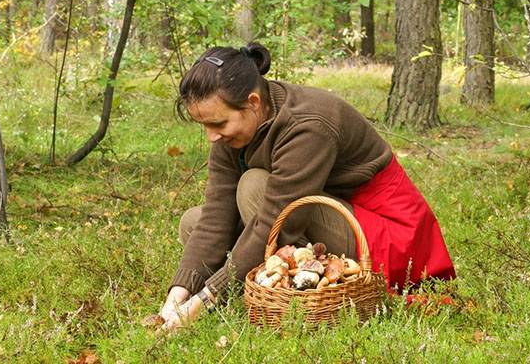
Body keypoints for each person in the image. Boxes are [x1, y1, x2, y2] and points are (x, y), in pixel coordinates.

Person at [159, 42, 456, 330]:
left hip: (384, 235)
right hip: (327, 215)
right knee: (193, 222)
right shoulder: (231, 127)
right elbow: (216, 214)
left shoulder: (307, 123)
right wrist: (180, 292)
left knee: (253, 186)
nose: (212, 136)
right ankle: (270, 280)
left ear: (253, 102)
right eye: (205, 126)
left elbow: (278, 220)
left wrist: (207, 297)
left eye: (219, 124)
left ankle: (304, 288)